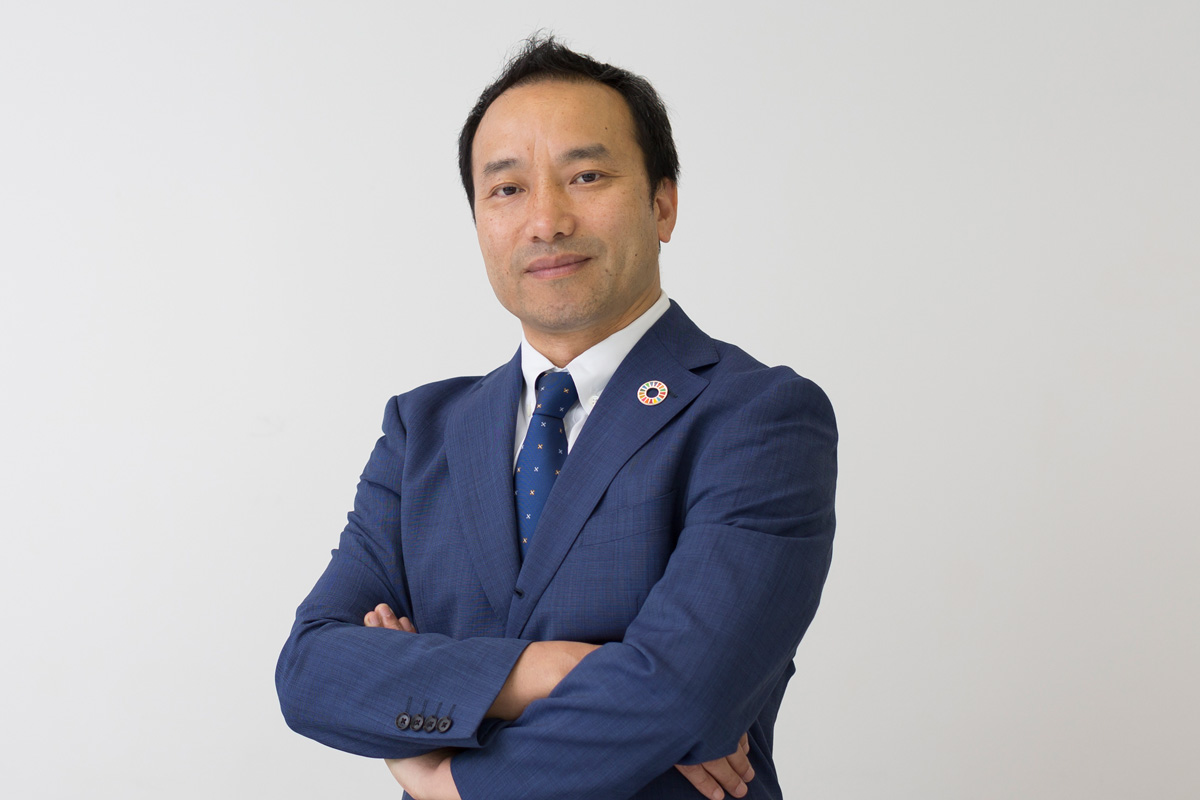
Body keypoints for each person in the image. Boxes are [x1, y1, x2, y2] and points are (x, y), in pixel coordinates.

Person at [276, 35, 837, 800]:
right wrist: (554, 669)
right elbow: (311, 670)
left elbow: (682, 698)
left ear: (663, 204)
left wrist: (443, 779)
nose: (546, 220)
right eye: (507, 189)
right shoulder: (421, 431)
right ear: (478, 222)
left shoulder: (759, 419)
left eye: (587, 176)